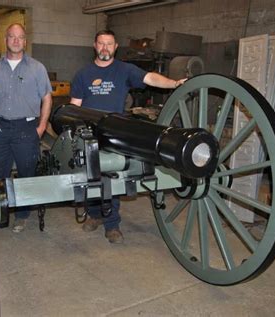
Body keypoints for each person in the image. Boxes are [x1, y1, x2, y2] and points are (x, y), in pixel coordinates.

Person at [70, 29, 187, 244]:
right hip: (89, 134)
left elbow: (149, 77)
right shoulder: (83, 74)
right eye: (101, 43)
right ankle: (94, 215)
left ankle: (112, 224)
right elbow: (75, 106)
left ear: (115, 47)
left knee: (113, 180)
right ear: (95, 46)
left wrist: (173, 83)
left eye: (109, 44)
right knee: (90, 178)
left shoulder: (124, 70)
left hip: (114, 132)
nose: (105, 47)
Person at [0, 23, 52, 233]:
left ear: (25, 41)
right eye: (12, 37)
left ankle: (22, 216)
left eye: (20, 37)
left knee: (26, 173)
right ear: (6, 40)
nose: (15, 40)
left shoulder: (37, 68)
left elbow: (47, 98)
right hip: (1, 127)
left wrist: (40, 127)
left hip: (27, 127)